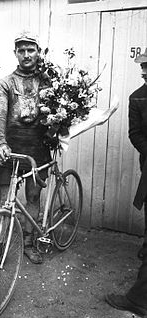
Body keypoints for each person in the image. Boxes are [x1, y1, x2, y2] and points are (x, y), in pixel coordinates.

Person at [0, 31, 51, 264]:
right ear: (15, 53)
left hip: (38, 149)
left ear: (38, 52)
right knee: (5, 200)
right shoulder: (6, 82)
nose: (26, 55)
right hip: (11, 149)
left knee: (33, 197)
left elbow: (56, 114)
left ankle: (29, 242)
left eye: (31, 50)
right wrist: (0, 142)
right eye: (21, 50)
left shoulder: (47, 81)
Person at [105, 48, 147, 317]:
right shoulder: (138, 97)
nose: (143, 71)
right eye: (142, 67)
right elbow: (135, 135)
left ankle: (140, 300)